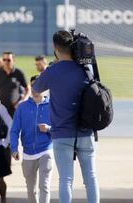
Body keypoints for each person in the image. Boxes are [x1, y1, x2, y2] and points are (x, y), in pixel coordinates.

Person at [32, 30, 100, 203]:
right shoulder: (85, 68)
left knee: (65, 180)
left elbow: (36, 88)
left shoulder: (53, 71)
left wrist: (52, 65)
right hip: (86, 131)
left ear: (55, 47)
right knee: (91, 178)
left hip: (62, 133)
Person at [10, 75, 53, 203]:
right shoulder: (22, 107)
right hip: (28, 153)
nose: (35, 90)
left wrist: (48, 129)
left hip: (46, 151)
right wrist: (14, 148)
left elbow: (60, 128)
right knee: (31, 190)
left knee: (44, 186)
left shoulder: (52, 105)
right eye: (32, 86)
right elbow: (14, 130)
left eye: (38, 86)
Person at [0, 51, 30, 117]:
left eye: (8, 60)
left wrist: (23, 100)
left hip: (14, 110)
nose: (6, 62)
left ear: (13, 60)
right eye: (4, 60)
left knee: (14, 127)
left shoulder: (18, 73)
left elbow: (28, 89)